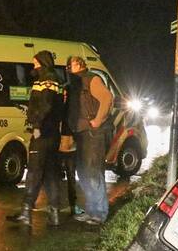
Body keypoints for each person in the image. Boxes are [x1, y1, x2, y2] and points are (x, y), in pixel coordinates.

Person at [8, 50, 64, 226]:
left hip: (43, 132)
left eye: (35, 63)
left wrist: (37, 125)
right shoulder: (54, 79)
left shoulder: (46, 79)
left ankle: (26, 211)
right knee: (50, 174)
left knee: (34, 172)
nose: (34, 66)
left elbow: (46, 104)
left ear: (42, 62)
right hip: (53, 132)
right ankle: (54, 215)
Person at [66, 55, 114, 224]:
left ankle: (99, 213)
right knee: (84, 172)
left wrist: (97, 120)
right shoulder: (76, 83)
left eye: (70, 64)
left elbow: (107, 98)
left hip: (93, 133)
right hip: (81, 132)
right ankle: (92, 209)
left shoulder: (91, 79)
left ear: (79, 64)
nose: (67, 68)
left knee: (93, 172)